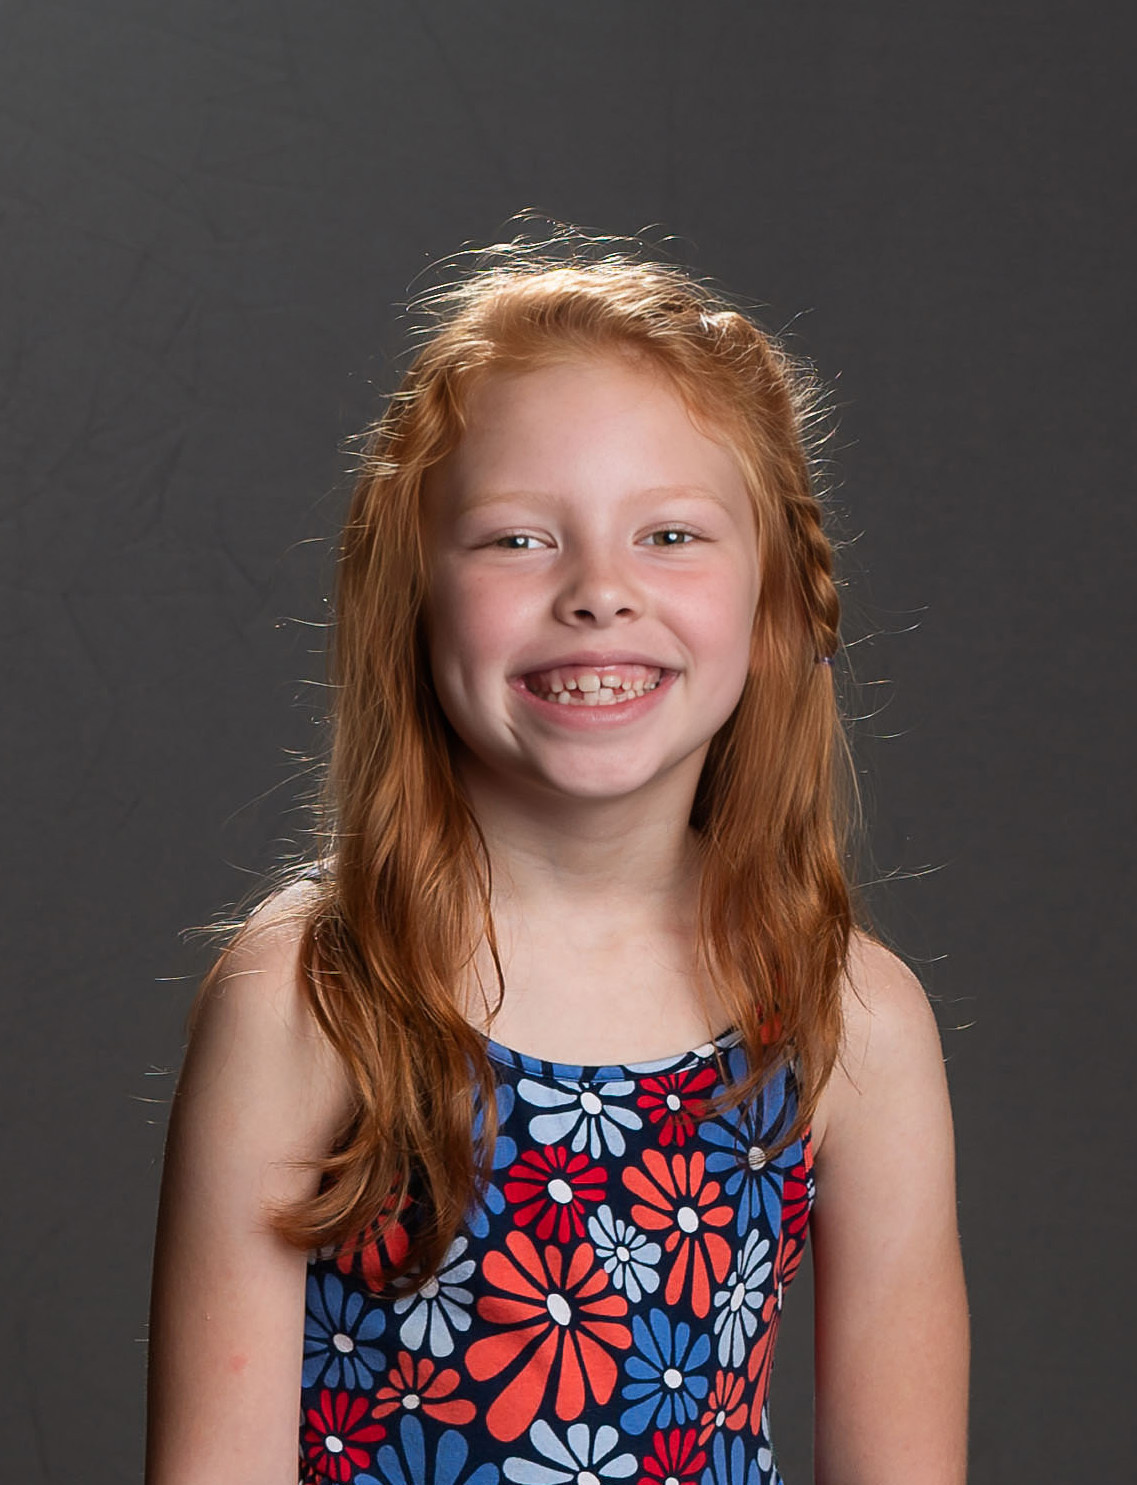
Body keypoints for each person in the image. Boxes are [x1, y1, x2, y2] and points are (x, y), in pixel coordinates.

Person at [145, 229, 969, 1485]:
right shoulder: (312, 994)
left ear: (776, 603)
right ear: (411, 595)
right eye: (518, 539)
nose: (597, 591)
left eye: (670, 535)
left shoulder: (851, 1017)